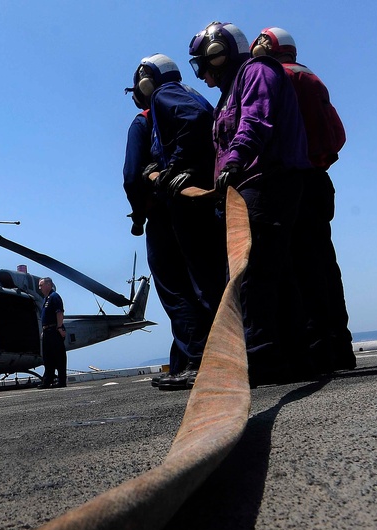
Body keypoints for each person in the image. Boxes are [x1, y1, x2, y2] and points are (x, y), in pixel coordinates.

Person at [188, 21, 311, 386]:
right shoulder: (229, 92)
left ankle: (260, 361)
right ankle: (292, 358)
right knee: (274, 271)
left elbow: (256, 120)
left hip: (266, 183)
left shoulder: (255, 72)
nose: (204, 76)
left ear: (218, 54)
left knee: (250, 274)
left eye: (204, 65)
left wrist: (236, 160)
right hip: (248, 188)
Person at [251, 27, 355, 374]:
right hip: (319, 180)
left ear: (268, 46)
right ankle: (339, 348)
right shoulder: (313, 78)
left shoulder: (276, 77)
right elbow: (338, 134)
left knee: (297, 269)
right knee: (325, 265)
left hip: (291, 181)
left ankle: (313, 352)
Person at [123, 53, 224, 390]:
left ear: (146, 81)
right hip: (197, 201)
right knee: (199, 285)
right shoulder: (188, 95)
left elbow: (130, 176)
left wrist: (139, 214)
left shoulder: (153, 109)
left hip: (171, 208)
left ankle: (197, 361)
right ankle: (191, 359)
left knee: (175, 289)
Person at [37, 277, 67, 388]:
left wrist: (59, 328)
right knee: (47, 357)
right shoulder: (46, 298)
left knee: (58, 356)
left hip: (54, 330)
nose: (39, 288)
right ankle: (47, 380)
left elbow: (59, 313)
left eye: (41, 285)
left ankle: (61, 381)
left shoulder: (55, 297)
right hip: (47, 331)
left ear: (49, 284)